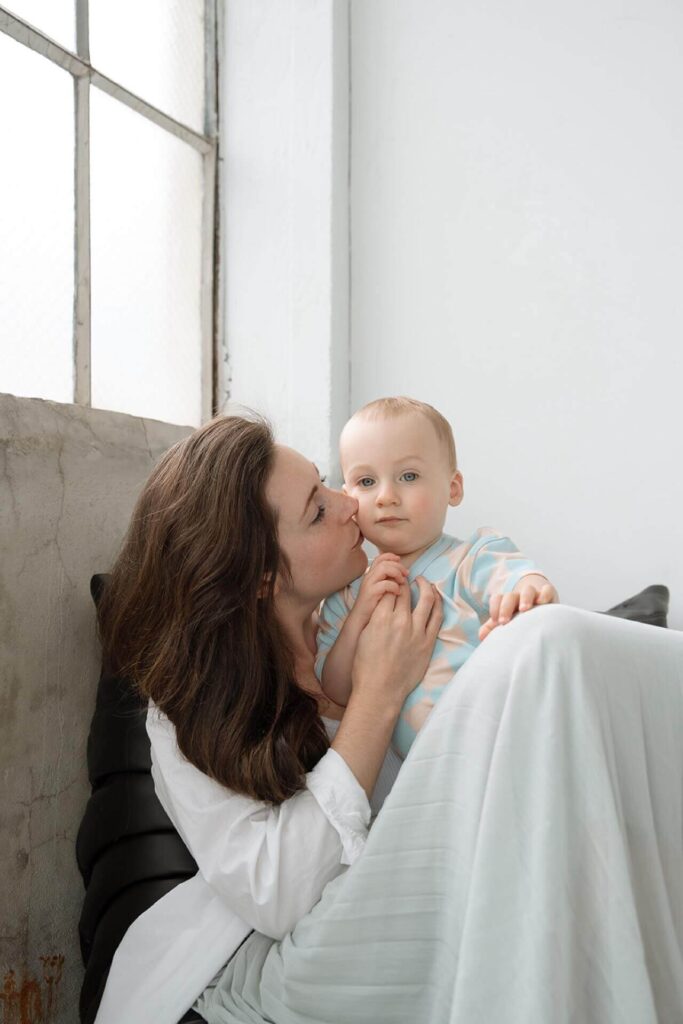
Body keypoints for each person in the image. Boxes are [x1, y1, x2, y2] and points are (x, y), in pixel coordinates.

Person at [93, 411, 683, 1024]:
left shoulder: (377, 608)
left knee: (552, 650)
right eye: (318, 510)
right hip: (303, 948)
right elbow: (278, 895)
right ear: (262, 574)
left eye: (327, 484)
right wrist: (375, 696)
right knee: (548, 648)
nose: (350, 504)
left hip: (452, 876)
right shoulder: (188, 715)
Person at [315, 396, 559, 758]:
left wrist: (528, 593)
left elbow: (517, 582)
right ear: (349, 498)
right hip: (423, 774)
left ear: (453, 488)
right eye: (366, 481)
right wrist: (360, 615)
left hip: (494, 741)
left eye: (408, 476)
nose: (386, 496)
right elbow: (336, 688)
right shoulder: (346, 596)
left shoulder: (473, 559)